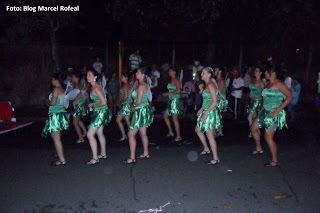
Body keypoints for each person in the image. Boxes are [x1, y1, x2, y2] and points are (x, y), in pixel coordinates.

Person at [250, 66, 293, 167]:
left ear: (273, 73)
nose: (265, 74)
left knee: (268, 137)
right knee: (253, 128)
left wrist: (279, 109)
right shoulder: (267, 84)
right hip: (264, 111)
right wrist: (258, 100)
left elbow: (290, 96)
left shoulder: (279, 84)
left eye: (266, 72)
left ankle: (275, 160)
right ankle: (258, 148)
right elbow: (265, 96)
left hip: (274, 112)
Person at [123, 67, 154, 164]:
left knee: (131, 134)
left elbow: (138, 101)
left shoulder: (141, 86)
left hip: (140, 111)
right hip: (143, 110)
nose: (136, 74)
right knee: (143, 134)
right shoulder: (141, 85)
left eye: (138, 73)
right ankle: (146, 153)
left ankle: (132, 158)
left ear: (143, 75)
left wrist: (132, 106)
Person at [42, 73, 70, 166]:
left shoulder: (56, 89)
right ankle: (59, 155)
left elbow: (53, 103)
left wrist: (47, 102)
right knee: (57, 137)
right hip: (61, 113)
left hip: (55, 115)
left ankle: (62, 160)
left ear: (54, 79)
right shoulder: (62, 89)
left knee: (56, 138)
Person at [195, 67, 222, 165]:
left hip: (210, 112)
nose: (201, 74)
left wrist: (206, 113)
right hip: (206, 110)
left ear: (209, 75)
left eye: (203, 73)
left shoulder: (211, 85)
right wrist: (201, 109)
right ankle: (206, 148)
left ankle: (216, 158)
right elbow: (208, 100)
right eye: (201, 73)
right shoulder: (207, 84)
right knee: (198, 130)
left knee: (210, 135)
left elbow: (215, 102)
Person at [86, 70, 112, 165]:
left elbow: (104, 102)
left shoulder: (96, 88)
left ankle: (95, 158)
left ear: (95, 77)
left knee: (90, 135)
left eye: (89, 75)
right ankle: (103, 153)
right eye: (87, 75)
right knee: (100, 133)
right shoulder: (95, 87)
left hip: (100, 112)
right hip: (100, 111)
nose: (87, 77)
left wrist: (93, 105)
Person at [162, 67, 184, 142]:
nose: (169, 72)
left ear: (174, 72)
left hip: (175, 100)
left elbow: (179, 90)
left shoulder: (176, 80)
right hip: (171, 100)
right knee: (165, 115)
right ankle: (171, 132)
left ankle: (178, 136)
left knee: (174, 119)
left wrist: (168, 93)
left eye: (170, 71)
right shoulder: (171, 80)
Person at [247, 67, 264, 138]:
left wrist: (257, 96)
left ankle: (252, 132)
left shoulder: (261, 82)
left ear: (260, 73)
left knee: (249, 117)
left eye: (257, 71)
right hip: (252, 101)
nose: (255, 72)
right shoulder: (253, 80)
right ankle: (257, 131)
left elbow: (264, 93)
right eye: (255, 71)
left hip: (257, 101)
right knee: (254, 117)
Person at [71, 72, 88, 143]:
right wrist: (82, 101)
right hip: (81, 105)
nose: (71, 78)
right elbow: (86, 95)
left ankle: (81, 138)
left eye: (73, 77)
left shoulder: (77, 86)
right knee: (78, 120)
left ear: (76, 78)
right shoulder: (80, 85)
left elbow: (80, 94)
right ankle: (85, 132)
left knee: (75, 122)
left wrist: (74, 101)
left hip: (78, 106)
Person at [116, 72, 132, 141]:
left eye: (122, 77)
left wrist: (121, 101)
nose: (121, 78)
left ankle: (124, 135)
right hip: (128, 104)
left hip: (126, 105)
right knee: (127, 120)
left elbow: (125, 96)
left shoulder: (125, 85)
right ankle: (130, 134)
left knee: (118, 120)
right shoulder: (128, 84)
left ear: (126, 78)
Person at [215, 66, 228, 137]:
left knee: (217, 115)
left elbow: (219, 91)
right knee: (217, 115)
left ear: (220, 71)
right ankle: (219, 131)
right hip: (216, 99)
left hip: (220, 99)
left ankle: (219, 131)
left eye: (216, 70)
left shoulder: (221, 80)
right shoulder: (216, 79)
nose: (215, 71)